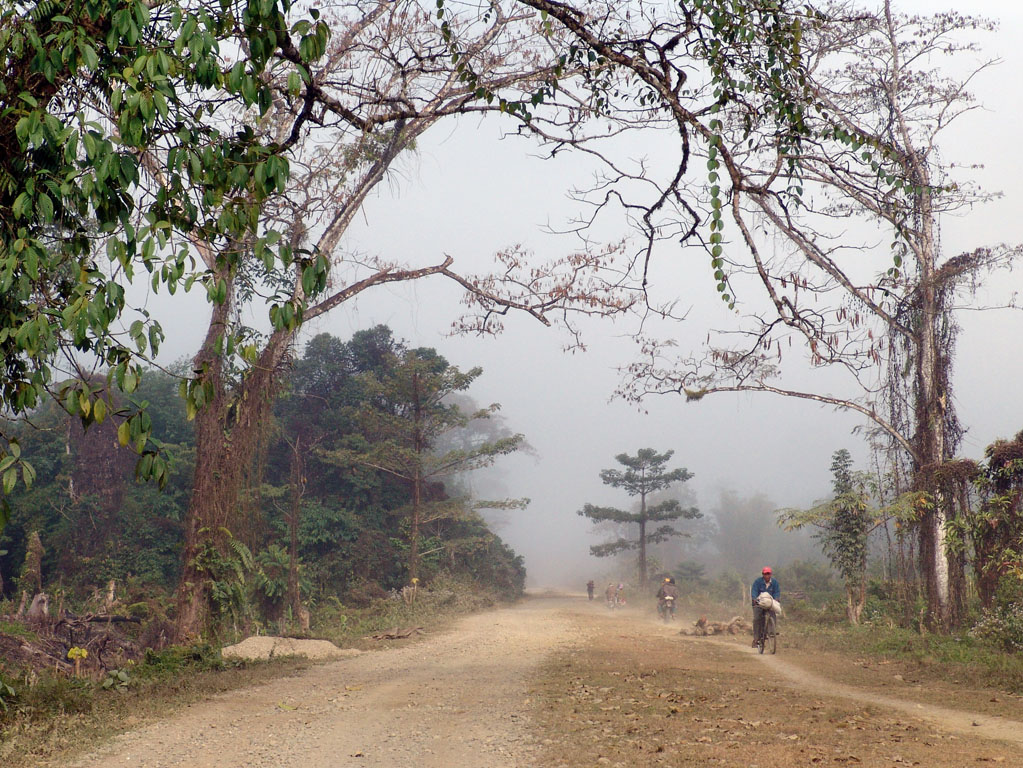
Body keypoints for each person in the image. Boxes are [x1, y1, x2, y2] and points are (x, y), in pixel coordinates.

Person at [751, 566, 780, 647]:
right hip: (759, 603)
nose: (767, 575)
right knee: (757, 619)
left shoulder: (774, 583)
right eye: (765, 574)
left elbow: (777, 592)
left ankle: (771, 631)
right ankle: (756, 638)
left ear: (771, 574)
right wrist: (754, 599)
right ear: (763, 574)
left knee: (773, 614)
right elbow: (754, 591)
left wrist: (777, 598)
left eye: (768, 574)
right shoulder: (757, 582)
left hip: (770, 603)